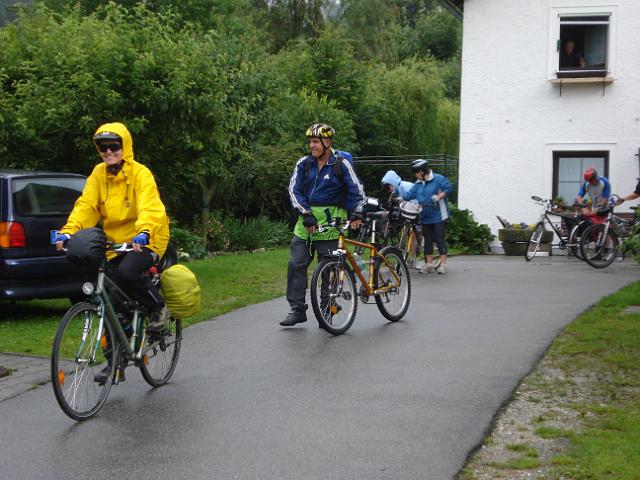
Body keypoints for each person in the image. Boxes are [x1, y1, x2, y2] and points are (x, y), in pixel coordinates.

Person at [56, 122, 171, 382]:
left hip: (149, 237)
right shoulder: (98, 174)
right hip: (115, 241)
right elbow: (86, 206)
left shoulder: (140, 174)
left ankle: (157, 308)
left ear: (125, 146)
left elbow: (150, 207)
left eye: (114, 146)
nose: (108, 151)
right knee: (104, 296)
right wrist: (68, 231)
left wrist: (144, 232)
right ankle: (116, 362)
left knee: (128, 272)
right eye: (103, 147)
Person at [281, 123, 365, 327]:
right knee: (296, 264)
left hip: (331, 225)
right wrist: (306, 213)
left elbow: (356, 190)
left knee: (330, 270)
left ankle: (327, 309)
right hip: (306, 225)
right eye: (310, 142)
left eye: (315, 141)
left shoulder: (341, 164)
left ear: (327, 143)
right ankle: (297, 310)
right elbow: (294, 190)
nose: (312, 145)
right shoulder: (304, 163)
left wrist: (356, 212)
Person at [401, 159, 452, 275]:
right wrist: (401, 198)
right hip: (425, 215)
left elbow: (448, 189)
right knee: (427, 239)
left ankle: (443, 265)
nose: (415, 175)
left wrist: (439, 196)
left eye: (416, 172)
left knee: (439, 238)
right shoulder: (418, 183)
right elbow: (410, 195)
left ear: (421, 171)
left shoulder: (438, 179)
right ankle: (429, 264)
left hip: (439, 214)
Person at [381, 170, 423, 269]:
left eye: (388, 187)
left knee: (415, 235)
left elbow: (417, 199)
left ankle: (413, 259)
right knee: (408, 233)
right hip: (409, 213)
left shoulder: (405, 186)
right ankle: (407, 255)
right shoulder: (397, 189)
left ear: (393, 183)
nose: (388, 190)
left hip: (417, 211)